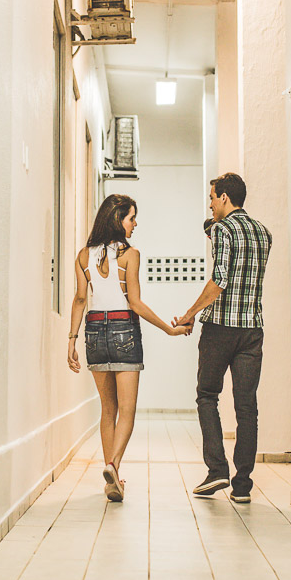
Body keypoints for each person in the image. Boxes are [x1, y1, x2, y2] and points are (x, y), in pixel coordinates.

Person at [67, 194, 192, 502]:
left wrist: (71, 340)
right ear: (117, 219)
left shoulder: (84, 255)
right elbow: (134, 303)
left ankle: (113, 480)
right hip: (124, 329)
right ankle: (113, 465)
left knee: (107, 410)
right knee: (127, 410)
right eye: (131, 218)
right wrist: (169, 329)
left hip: (94, 331)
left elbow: (81, 299)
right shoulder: (129, 254)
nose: (135, 224)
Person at [173, 173, 272, 504]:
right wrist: (211, 223)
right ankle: (242, 485)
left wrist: (189, 314)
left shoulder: (222, 229)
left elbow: (219, 279)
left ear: (226, 198)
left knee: (207, 396)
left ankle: (217, 470)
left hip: (220, 329)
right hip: (252, 331)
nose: (211, 203)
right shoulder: (263, 233)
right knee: (247, 407)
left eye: (213, 197)